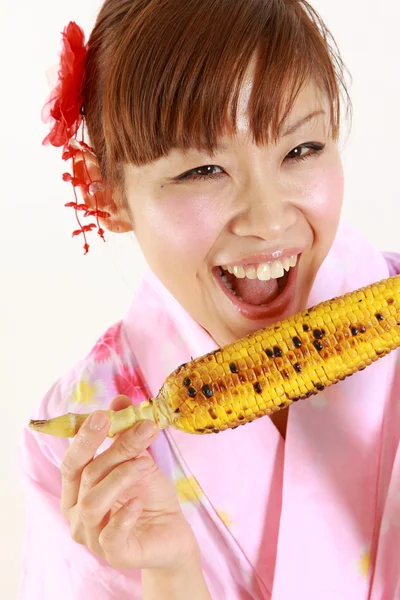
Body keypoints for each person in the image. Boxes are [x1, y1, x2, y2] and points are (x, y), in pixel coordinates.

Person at [17, 1, 400, 598]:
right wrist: (171, 574)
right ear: (105, 194)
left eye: (301, 151)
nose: (269, 221)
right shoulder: (79, 451)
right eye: (203, 171)